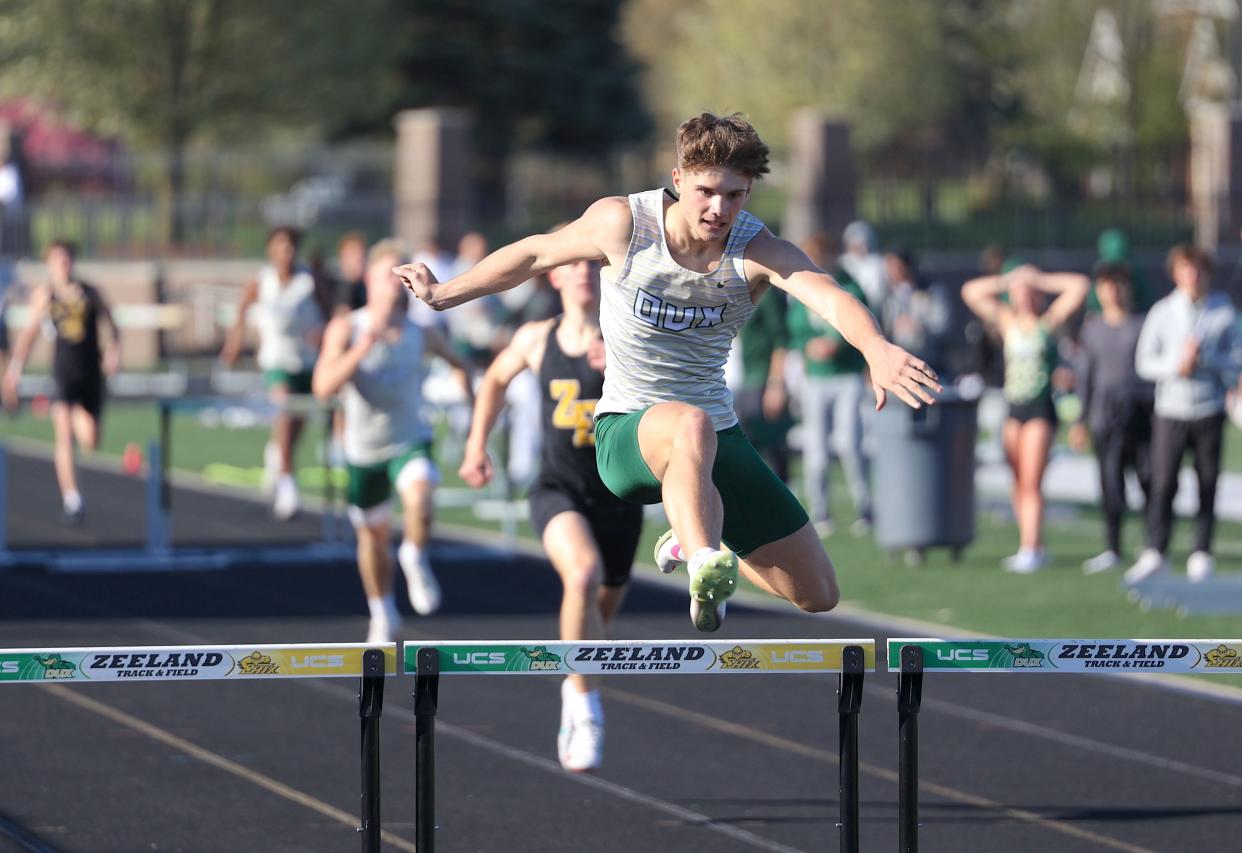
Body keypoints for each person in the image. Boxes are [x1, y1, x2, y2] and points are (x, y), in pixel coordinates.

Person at [395, 113, 940, 632]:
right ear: (678, 179)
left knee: (818, 593)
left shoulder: (755, 248)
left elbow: (828, 296)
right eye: (706, 191)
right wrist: (445, 293)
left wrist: (875, 347)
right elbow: (536, 255)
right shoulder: (624, 224)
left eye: (735, 195)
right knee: (688, 425)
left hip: (714, 434)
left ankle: (696, 540)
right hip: (627, 433)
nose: (718, 209)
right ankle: (703, 560)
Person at [458, 245, 643, 772]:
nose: (584, 272)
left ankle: (575, 679)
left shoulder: (629, 335)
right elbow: (494, 379)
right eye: (574, 264)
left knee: (600, 620)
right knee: (580, 576)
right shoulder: (536, 338)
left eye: (593, 264)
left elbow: (675, 393)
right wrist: (477, 446)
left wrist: (630, 365)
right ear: (555, 276)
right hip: (556, 489)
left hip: (618, 495)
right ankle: (583, 707)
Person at [313, 238, 474, 642]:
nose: (395, 287)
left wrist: (470, 415)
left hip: (408, 439)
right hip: (363, 448)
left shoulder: (421, 333)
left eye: (402, 277)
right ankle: (382, 610)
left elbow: (460, 365)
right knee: (373, 534)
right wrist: (364, 345)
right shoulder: (347, 328)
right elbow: (322, 388)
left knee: (421, 495)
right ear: (369, 280)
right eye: (388, 278)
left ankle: (415, 555)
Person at [963, 264, 1089, 573]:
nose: (1024, 293)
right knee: (1017, 482)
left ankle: (1031, 546)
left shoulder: (1048, 323)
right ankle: (1031, 543)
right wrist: (1008, 279)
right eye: (1019, 290)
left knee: (1032, 482)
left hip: (1039, 408)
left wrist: (1041, 280)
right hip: (1013, 406)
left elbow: (1080, 285)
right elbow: (971, 292)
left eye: (1028, 289)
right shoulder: (1007, 321)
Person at [1126, 245, 1240, 584]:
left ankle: (1201, 551)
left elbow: (1236, 361)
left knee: (1207, 482)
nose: (1192, 276)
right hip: (1170, 411)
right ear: (1176, 274)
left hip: (1209, 409)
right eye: (1186, 269)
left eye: (1198, 270)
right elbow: (1144, 363)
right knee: (1163, 482)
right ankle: (1156, 550)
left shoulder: (1224, 312)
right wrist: (1178, 364)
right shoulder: (1162, 312)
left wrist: (1205, 360)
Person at [2, 239, 120, 522]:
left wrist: (114, 351)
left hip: (90, 372)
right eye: (57, 260)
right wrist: (15, 369)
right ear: (50, 265)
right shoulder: (46, 295)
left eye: (67, 259)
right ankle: (72, 499)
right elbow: (29, 334)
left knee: (90, 439)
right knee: (63, 433)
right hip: (63, 372)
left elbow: (112, 324)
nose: (63, 265)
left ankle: (76, 414)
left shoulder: (90, 292)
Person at [220, 226, 325, 520]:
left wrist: (323, 333)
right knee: (284, 411)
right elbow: (241, 311)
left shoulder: (308, 281)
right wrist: (234, 344)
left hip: (306, 360)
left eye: (290, 246)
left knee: (298, 425)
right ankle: (288, 484)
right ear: (271, 250)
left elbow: (328, 314)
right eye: (280, 246)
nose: (286, 252)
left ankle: (276, 455)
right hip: (276, 361)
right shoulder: (261, 281)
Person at [1068, 264, 1153, 574]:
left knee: (1149, 481)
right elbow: (1086, 377)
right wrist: (1080, 420)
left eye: (1119, 284)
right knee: (1110, 484)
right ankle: (1113, 547)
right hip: (1106, 418)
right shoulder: (1092, 329)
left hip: (1141, 415)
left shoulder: (1142, 324)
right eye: (1106, 285)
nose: (1113, 291)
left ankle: (1152, 546)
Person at [788, 233, 871, 538]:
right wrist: (808, 345)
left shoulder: (850, 285)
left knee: (851, 444)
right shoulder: (804, 289)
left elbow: (863, 320)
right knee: (816, 450)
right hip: (816, 378)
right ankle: (820, 510)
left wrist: (836, 342)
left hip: (846, 376)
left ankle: (865, 507)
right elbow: (795, 330)